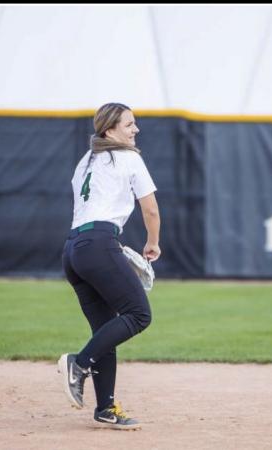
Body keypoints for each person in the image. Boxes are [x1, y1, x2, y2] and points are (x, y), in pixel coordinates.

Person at [58, 102, 160, 431]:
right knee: (139, 315)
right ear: (109, 130)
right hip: (99, 244)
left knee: (106, 331)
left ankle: (105, 408)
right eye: (129, 124)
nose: (136, 129)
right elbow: (151, 210)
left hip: (74, 249)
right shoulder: (129, 157)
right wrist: (152, 243)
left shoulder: (84, 162)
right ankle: (79, 363)